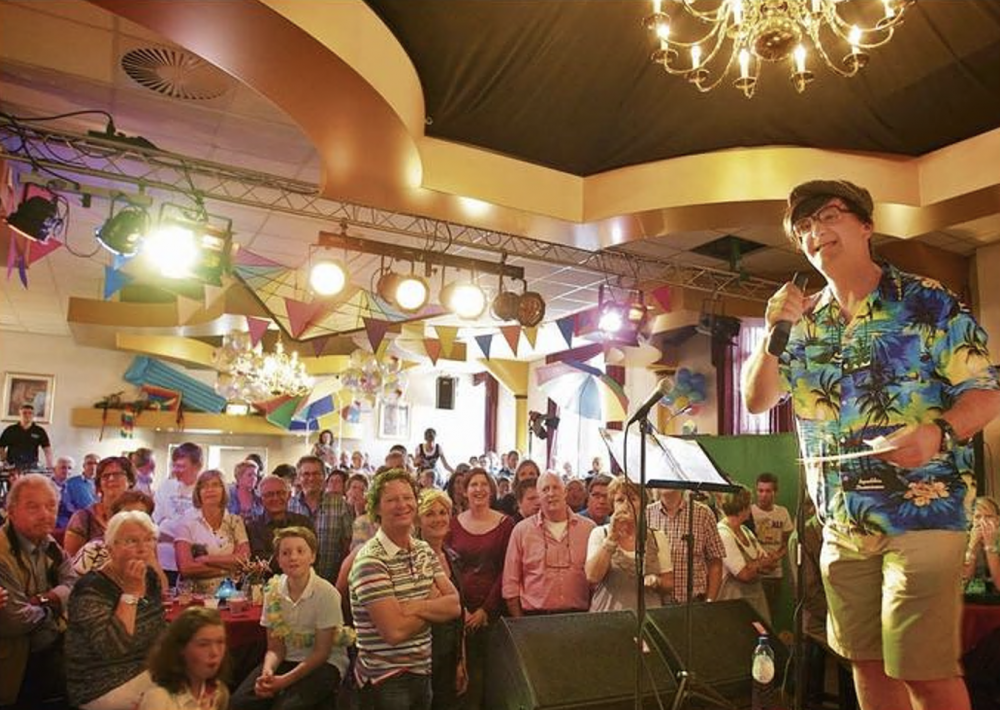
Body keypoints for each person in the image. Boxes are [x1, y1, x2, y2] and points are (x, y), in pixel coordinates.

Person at [742, 178, 1000, 710]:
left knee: (922, 671)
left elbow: (985, 391)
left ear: (866, 225)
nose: (816, 232)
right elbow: (757, 399)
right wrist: (772, 332)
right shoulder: (802, 322)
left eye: (829, 216)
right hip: (841, 523)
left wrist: (938, 432)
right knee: (866, 663)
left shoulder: (927, 300)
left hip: (923, 514)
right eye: (804, 227)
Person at [349, 468, 461, 710]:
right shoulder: (370, 560)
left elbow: (454, 606)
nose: (402, 505)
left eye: (408, 497)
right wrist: (433, 603)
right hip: (384, 678)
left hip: (422, 671)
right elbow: (394, 631)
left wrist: (415, 606)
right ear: (377, 508)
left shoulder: (423, 550)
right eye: (392, 500)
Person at [231, 526, 350, 710]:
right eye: (285, 553)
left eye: (300, 551)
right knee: (239, 702)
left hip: (323, 663)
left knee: (286, 707)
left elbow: (322, 652)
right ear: (278, 560)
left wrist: (284, 682)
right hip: (286, 658)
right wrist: (267, 673)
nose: (293, 557)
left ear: (312, 556)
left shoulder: (327, 593)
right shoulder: (272, 591)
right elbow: (275, 648)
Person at [65, 510, 166, 710]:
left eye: (148, 540)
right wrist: (130, 594)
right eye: (131, 541)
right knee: (169, 696)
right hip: (101, 685)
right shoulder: (91, 588)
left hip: (146, 671)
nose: (142, 549)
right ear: (110, 548)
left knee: (202, 679)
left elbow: (158, 632)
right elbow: (112, 648)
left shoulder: (149, 577)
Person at [0, 474, 76, 709]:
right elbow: (14, 620)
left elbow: (74, 586)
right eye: (33, 506)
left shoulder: (50, 544)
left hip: (52, 653)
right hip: (14, 664)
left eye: (51, 505)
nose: (45, 514)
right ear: (11, 512)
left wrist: (43, 599)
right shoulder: (2, 552)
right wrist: (53, 609)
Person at [447, 468, 514, 709]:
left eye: (484, 484)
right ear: (465, 491)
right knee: (465, 681)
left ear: (491, 490)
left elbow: (507, 569)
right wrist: (461, 609)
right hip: (459, 613)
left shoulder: (506, 524)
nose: (479, 489)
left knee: (492, 679)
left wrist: (486, 609)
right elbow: (447, 569)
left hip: (494, 614)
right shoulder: (452, 525)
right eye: (473, 484)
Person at [503, 472, 595, 616]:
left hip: (580, 617)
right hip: (534, 618)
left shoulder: (589, 529)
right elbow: (510, 584)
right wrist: (519, 622)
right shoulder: (521, 531)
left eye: (555, 487)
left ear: (565, 492)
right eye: (545, 489)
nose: (551, 493)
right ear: (539, 496)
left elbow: (598, 582)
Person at [585, 475, 673, 612]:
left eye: (632, 499)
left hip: (647, 617)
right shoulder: (599, 534)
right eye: (620, 500)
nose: (626, 505)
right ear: (613, 505)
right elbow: (592, 576)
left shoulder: (657, 537)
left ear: (643, 504)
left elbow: (669, 583)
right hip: (608, 616)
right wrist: (611, 538)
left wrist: (656, 581)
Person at [417, 489, 467, 710]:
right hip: (420, 658)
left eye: (443, 512)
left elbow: (459, 615)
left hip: (449, 655)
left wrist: (461, 660)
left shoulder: (453, 557)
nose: (438, 519)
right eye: (430, 514)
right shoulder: (411, 558)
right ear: (418, 520)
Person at [174, 469, 250, 595]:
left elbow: (244, 558)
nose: (210, 490)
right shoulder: (186, 522)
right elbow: (186, 568)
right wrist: (228, 569)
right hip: (194, 596)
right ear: (198, 492)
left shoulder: (235, 521)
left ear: (224, 490)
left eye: (215, 485)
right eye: (204, 486)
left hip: (231, 594)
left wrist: (207, 559)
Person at [138, 606, 229, 710]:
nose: (215, 652)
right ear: (180, 649)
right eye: (203, 644)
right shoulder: (159, 699)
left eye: (220, 642)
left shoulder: (218, 693)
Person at [646, 488, 725, 603]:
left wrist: (709, 601)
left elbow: (715, 561)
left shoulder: (703, 514)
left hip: (695, 601)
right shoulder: (646, 514)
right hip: (657, 602)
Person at [287, 456, 353, 584]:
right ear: (299, 478)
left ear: (324, 477)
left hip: (332, 580)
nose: (311, 478)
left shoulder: (340, 505)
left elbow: (347, 544)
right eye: (306, 474)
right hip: (296, 581)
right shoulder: (289, 506)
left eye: (316, 474)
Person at [715, 486, 774, 624]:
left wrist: (759, 565)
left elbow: (768, 565)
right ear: (742, 508)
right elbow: (743, 574)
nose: (750, 508)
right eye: (749, 505)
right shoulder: (723, 534)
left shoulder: (745, 530)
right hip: (733, 607)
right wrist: (760, 564)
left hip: (755, 603)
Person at [64, 455, 137, 557]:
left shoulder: (138, 516)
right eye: (105, 476)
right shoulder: (82, 518)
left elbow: (150, 558)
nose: (111, 478)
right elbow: (70, 561)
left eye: (117, 474)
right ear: (99, 484)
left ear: (130, 481)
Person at [154, 443, 202, 585]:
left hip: (191, 563)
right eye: (174, 466)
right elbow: (156, 523)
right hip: (163, 560)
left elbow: (198, 530)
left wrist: (173, 534)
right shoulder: (166, 486)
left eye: (181, 466)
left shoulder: (203, 490)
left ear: (197, 466)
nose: (176, 470)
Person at [247, 475, 314, 577]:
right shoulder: (253, 527)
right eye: (269, 494)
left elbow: (313, 554)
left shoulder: (304, 523)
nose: (275, 498)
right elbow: (259, 559)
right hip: (266, 584)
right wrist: (296, 558)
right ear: (261, 499)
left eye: (280, 493)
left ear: (289, 495)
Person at [750, 472, 793, 616]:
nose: (764, 495)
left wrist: (776, 557)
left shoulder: (782, 512)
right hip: (754, 573)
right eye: (760, 490)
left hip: (775, 574)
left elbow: (787, 541)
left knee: (770, 614)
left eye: (768, 491)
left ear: (775, 492)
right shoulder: (749, 512)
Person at [963, 496, 1000, 594]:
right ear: (973, 520)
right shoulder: (963, 540)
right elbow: (962, 584)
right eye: (978, 517)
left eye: (989, 516)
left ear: (997, 520)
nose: (982, 522)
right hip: (969, 599)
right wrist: (972, 547)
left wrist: (990, 545)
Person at [0, 403, 53, 470]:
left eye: (30, 413)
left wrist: (50, 466)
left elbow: (47, 449)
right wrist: (4, 461)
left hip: (31, 466)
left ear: (33, 415)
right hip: (12, 466)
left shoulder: (39, 431)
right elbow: (1, 447)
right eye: (24, 413)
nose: (27, 415)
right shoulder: (10, 430)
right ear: (20, 414)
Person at [63, 452, 100, 521]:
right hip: (80, 520)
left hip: (100, 520)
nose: (93, 466)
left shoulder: (103, 483)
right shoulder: (71, 483)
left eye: (96, 464)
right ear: (84, 466)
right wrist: (80, 517)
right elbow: (68, 505)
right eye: (89, 463)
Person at [52, 456, 75, 528]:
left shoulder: (72, 487)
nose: (67, 471)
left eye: (69, 468)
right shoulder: (46, 486)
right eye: (63, 467)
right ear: (54, 469)